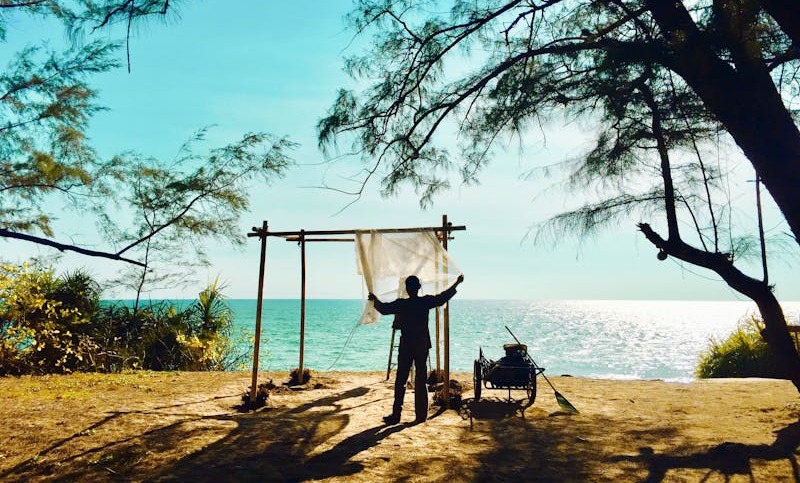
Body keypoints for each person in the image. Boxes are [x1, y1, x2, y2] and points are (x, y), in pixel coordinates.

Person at [368, 273, 465, 425]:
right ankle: (421, 416)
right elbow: (442, 298)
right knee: (421, 379)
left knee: (401, 380)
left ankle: (396, 415)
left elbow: (384, 309)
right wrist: (457, 283)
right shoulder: (424, 302)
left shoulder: (402, 303)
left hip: (406, 343)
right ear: (419, 287)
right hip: (421, 344)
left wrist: (374, 299)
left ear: (406, 288)